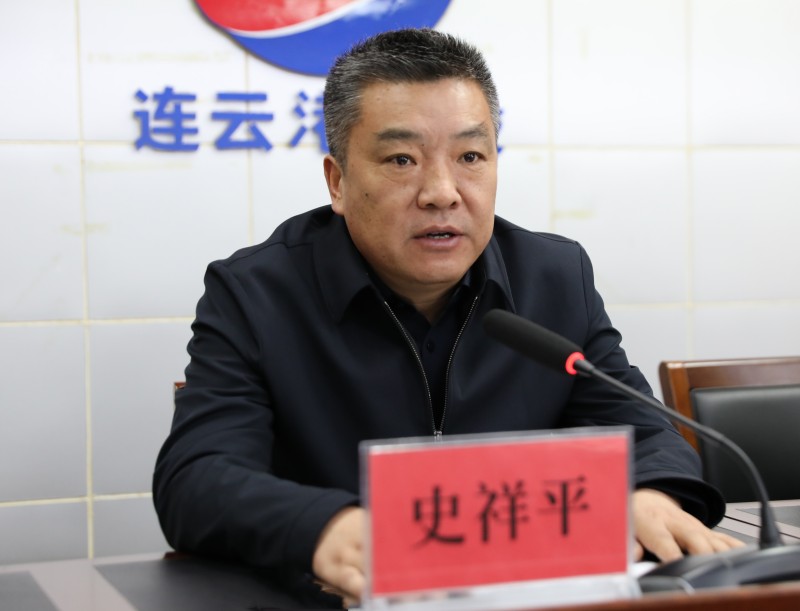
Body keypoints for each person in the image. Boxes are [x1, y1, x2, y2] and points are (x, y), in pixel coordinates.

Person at [153, 28, 741, 606]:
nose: (442, 191)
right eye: (402, 159)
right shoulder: (256, 294)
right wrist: (326, 526)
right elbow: (196, 477)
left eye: (470, 157)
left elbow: (646, 432)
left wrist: (650, 492)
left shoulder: (553, 278)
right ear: (338, 181)